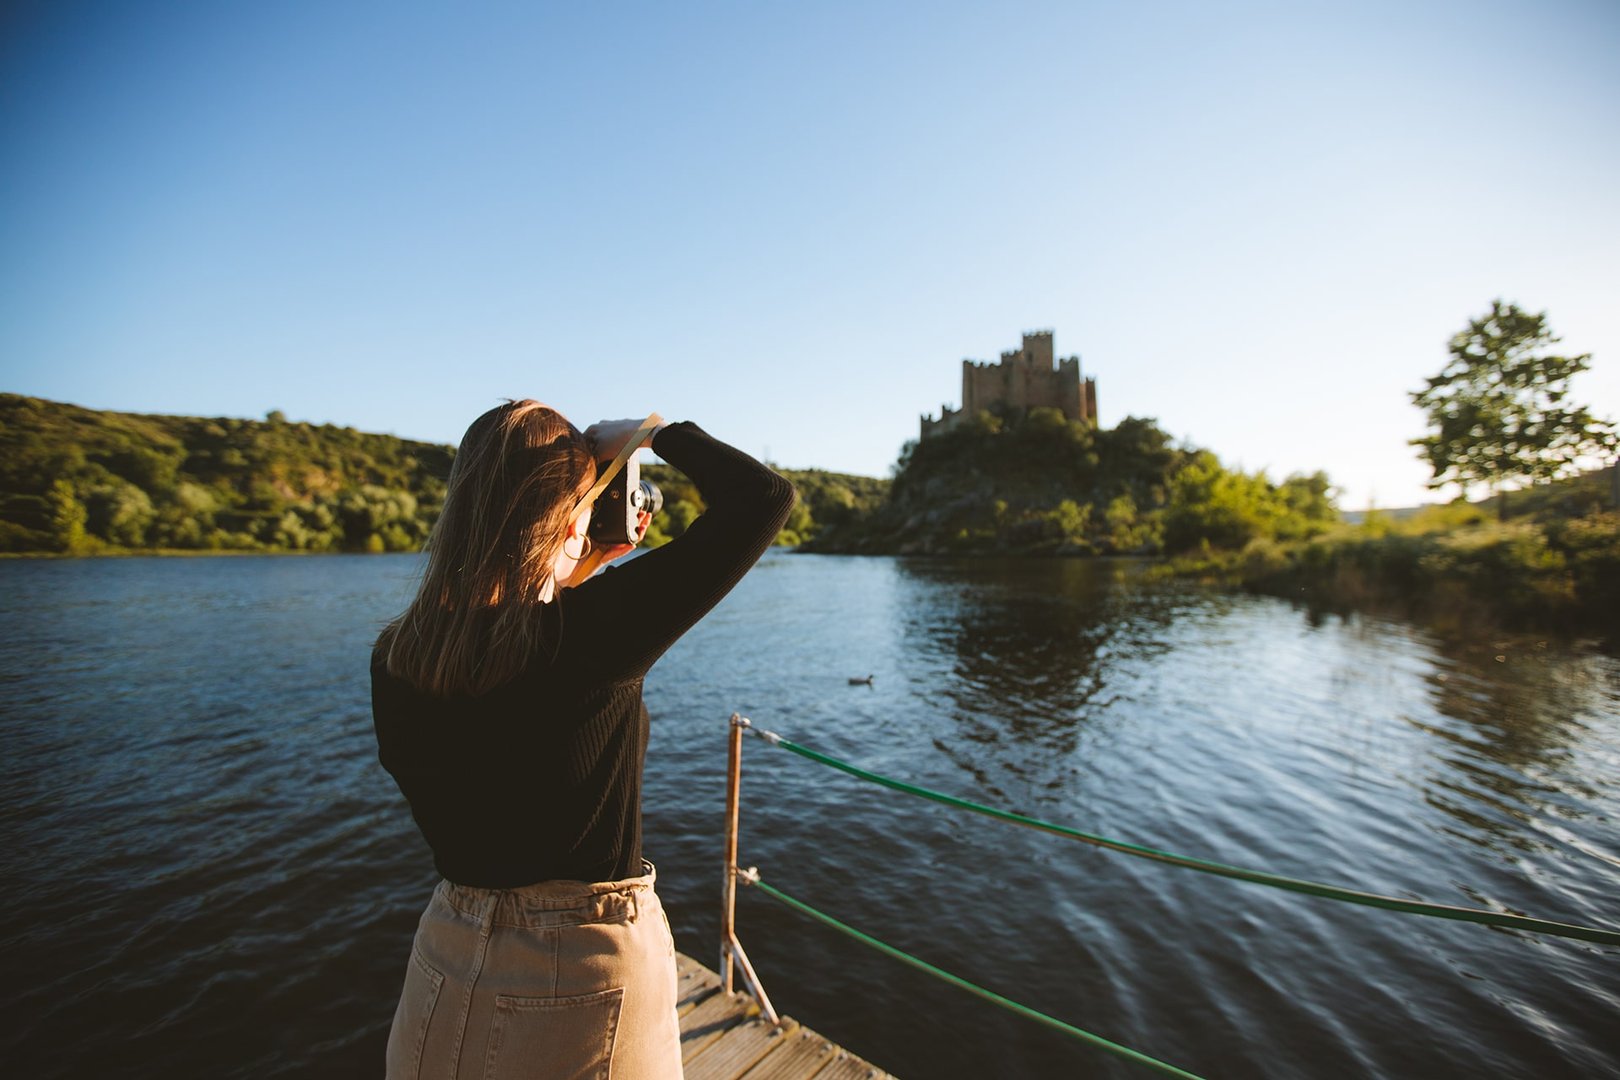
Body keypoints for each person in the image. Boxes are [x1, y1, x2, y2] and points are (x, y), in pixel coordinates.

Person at [371, 400, 795, 1079]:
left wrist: (580, 553)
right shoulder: (593, 639)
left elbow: (513, 648)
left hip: (444, 961)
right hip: (580, 976)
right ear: (572, 518)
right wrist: (650, 436)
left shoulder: (397, 656)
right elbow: (763, 498)